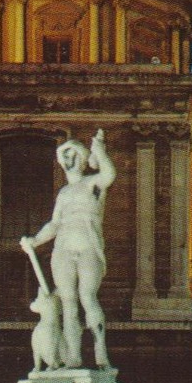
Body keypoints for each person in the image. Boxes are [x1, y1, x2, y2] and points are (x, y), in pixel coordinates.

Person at [23, 129, 116, 368]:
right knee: (67, 302)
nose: (67, 159)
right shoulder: (63, 193)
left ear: (83, 158)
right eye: (64, 155)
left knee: (87, 296)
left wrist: (100, 151)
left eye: (71, 153)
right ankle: (73, 356)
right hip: (63, 247)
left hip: (87, 245)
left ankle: (100, 349)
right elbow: (55, 223)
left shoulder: (93, 183)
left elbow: (109, 174)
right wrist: (35, 240)